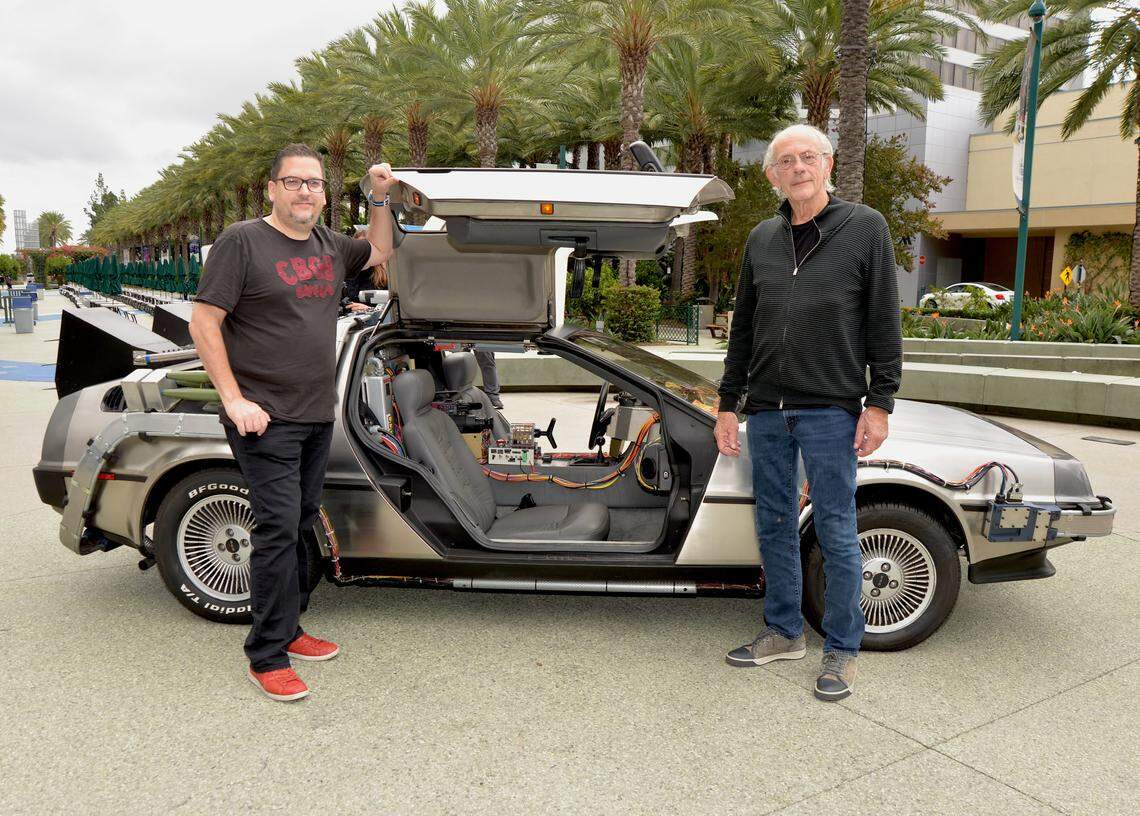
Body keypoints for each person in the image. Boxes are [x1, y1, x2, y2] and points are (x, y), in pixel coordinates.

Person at [190, 143, 399, 702]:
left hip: (313, 414)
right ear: (273, 188)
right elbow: (205, 321)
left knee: (301, 520)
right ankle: (266, 655)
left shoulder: (331, 245)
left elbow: (380, 247)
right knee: (278, 530)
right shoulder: (242, 241)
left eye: (314, 183)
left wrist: (378, 195)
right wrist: (233, 400)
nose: (305, 191)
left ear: (323, 193)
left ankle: (289, 628)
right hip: (264, 417)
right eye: (294, 181)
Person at [714, 123, 901, 702]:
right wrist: (728, 402)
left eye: (807, 158)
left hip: (831, 409)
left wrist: (880, 402)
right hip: (767, 410)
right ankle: (784, 631)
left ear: (827, 164)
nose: (797, 167)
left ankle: (842, 650)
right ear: (772, 175)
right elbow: (743, 325)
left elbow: (883, 318)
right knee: (773, 523)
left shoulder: (864, 228)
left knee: (839, 530)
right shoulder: (762, 238)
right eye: (785, 161)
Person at [343, 227, 388, 312]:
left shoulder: (385, 276)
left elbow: (393, 309)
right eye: (360, 247)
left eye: (367, 248)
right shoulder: (344, 273)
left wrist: (368, 309)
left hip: (376, 323)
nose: (363, 252)